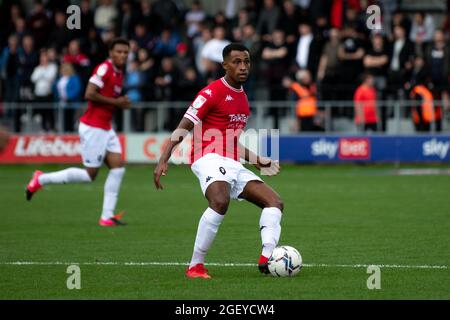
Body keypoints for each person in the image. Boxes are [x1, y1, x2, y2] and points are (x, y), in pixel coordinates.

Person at [153, 43, 283, 279]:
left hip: (231, 161)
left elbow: (231, 140)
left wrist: (257, 160)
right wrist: (164, 158)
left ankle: (267, 257)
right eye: (237, 62)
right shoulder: (211, 93)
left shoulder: (243, 100)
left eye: (246, 62)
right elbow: (185, 125)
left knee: (274, 203)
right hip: (207, 157)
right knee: (220, 201)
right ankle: (195, 265)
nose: (243, 67)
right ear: (225, 65)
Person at [25, 38, 131, 227]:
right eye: (119, 52)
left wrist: (118, 103)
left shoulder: (119, 72)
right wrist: (117, 103)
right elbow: (89, 93)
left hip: (105, 127)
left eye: (125, 52)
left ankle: (107, 217)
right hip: (93, 127)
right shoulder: (104, 69)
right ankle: (40, 179)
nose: (123, 55)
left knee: (118, 167)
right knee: (90, 175)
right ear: (111, 52)